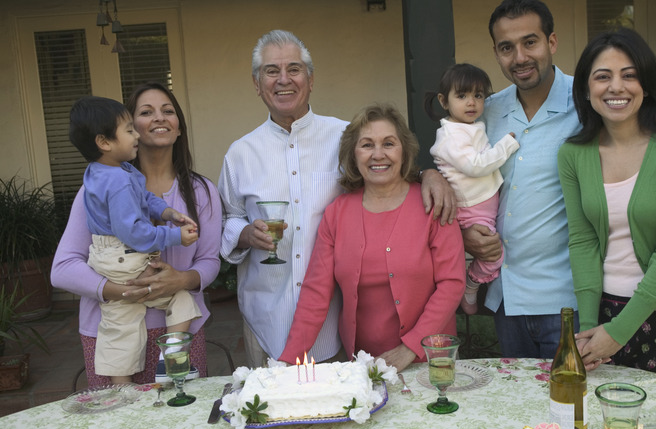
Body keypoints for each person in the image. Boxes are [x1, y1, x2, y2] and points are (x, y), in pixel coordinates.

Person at [462, 0, 656, 359]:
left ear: (552, 42)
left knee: (582, 410)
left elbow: (647, 178)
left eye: (530, 42)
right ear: (496, 53)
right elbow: (454, 165)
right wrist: (432, 181)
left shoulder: (592, 101)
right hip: (509, 294)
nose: (520, 57)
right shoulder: (484, 111)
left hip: (576, 298)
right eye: (507, 47)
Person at [218, 30, 455, 367]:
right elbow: (228, 217)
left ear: (311, 79)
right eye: (271, 71)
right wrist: (243, 233)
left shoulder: (345, 136)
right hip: (265, 315)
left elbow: (387, 168)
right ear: (257, 83)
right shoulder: (238, 154)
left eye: (294, 69)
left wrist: (429, 174)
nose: (283, 79)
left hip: (335, 328)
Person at [558, 27, 656, 384]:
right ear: (586, 88)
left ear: (646, 84)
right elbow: (582, 241)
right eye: (603, 77)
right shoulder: (573, 154)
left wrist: (620, 331)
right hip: (603, 316)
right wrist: (588, 331)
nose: (617, 87)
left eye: (629, 75)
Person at [52, 83, 221, 386]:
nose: (159, 118)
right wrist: (125, 292)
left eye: (168, 111)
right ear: (128, 129)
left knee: (182, 428)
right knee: (123, 423)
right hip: (111, 330)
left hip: (178, 330)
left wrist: (181, 280)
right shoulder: (96, 190)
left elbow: (210, 260)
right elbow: (63, 270)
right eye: (145, 113)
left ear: (179, 127)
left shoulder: (202, 191)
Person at [278, 103, 465, 372]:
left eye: (389, 143)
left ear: (404, 150)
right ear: (353, 154)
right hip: (364, 365)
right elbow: (316, 292)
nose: (378, 154)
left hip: (428, 359)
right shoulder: (337, 214)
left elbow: (452, 283)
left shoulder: (433, 203)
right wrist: (288, 361)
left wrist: (410, 348)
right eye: (367, 145)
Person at [424, 63, 519, 315]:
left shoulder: (470, 126)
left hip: (483, 202)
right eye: (462, 95)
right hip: (471, 207)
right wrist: (506, 145)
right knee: (494, 256)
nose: (471, 103)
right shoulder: (450, 136)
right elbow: (476, 166)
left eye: (478, 96)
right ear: (444, 101)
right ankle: (471, 284)